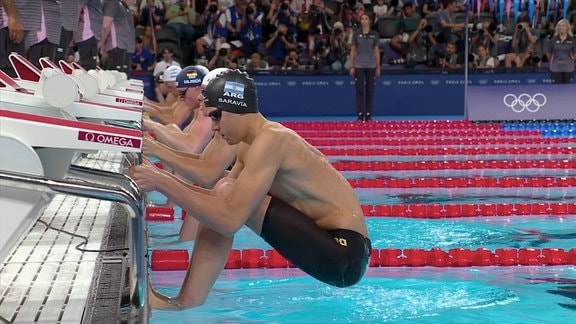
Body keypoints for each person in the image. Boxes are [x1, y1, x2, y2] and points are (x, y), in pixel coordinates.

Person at [129, 70, 371, 310]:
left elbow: (229, 220)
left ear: (235, 110)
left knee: (226, 194)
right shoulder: (249, 145)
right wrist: (159, 176)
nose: (213, 128)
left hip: (344, 254)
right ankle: (185, 301)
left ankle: (185, 303)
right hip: (331, 246)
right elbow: (216, 197)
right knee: (224, 188)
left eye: (215, 117)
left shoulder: (272, 140)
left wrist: (162, 182)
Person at [350, 13, 380, 122]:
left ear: (370, 21)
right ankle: (359, 115)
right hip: (359, 65)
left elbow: (376, 51)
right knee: (359, 90)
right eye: (362, 19)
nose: (364, 20)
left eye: (366, 18)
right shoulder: (356, 34)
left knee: (370, 90)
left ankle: (368, 115)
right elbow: (353, 50)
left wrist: (378, 67)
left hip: (371, 65)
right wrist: (352, 66)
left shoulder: (374, 34)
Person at [546, 19, 576, 84]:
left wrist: (571, 60)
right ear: (557, 28)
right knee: (557, 89)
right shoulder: (553, 40)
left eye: (563, 26)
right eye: (559, 26)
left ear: (567, 28)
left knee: (567, 89)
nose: (561, 27)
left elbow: (575, 53)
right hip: (556, 68)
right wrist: (553, 62)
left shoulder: (572, 40)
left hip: (568, 68)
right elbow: (549, 54)